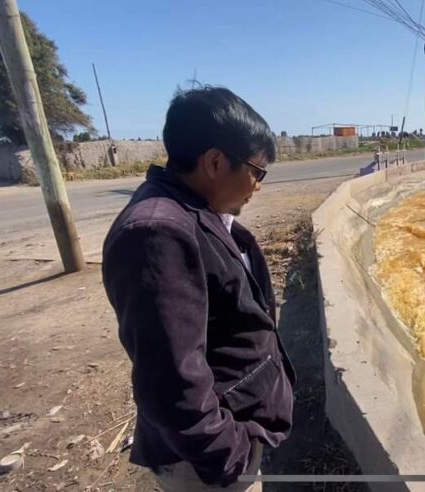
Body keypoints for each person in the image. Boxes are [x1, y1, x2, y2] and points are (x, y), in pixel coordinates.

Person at [102, 87, 295, 491]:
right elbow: (170, 380)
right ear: (214, 161)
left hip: (229, 432)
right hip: (207, 464)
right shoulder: (158, 232)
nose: (258, 186)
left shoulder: (196, 212)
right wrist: (229, 454)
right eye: (257, 172)